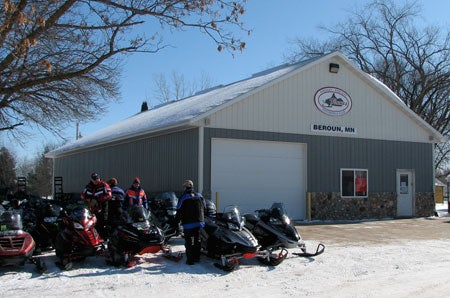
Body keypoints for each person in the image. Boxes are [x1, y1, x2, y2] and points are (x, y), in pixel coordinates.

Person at [175, 180, 205, 265]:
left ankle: (190, 260)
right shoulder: (199, 195)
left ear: (186, 187)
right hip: (199, 222)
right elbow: (205, 206)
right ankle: (197, 257)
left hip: (188, 224)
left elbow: (179, 210)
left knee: (188, 241)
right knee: (197, 240)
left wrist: (176, 222)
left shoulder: (184, 197)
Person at [81, 172, 112, 238]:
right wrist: (88, 200)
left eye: (97, 179)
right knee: (92, 224)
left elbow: (109, 195)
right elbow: (82, 195)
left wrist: (98, 200)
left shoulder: (104, 185)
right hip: (92, 209)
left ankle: (103, 238)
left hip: (102, 208)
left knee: (102, 223)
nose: (96, 181)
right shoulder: (88, 186)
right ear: (92, 180)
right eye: (94, 179)